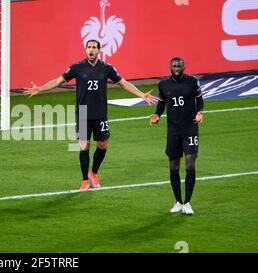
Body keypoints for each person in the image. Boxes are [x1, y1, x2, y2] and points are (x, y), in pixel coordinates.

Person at [24, 39, 158, 191]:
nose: (91, 50)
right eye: (89, 47)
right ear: (85, 49)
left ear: (99, 50)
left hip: (100, 113)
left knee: (103, 144)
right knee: (84, 145)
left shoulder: (107, 68)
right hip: (82, 113)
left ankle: (94, 173)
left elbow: (124, 83)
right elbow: (57, 81)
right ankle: (84, 180)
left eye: (94, 47)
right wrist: (40, 89)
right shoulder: (77, 67)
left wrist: (141, 95)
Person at [150, 56, 204, 215]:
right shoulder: (163, 84)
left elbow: (200, 100)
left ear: (184, 67)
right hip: (173, 131)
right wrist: (157, 115)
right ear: (170, 67)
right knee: (174, 167)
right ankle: (178, 202)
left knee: (190, 164)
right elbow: (161, 103)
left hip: (190, 129)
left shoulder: (192, 82)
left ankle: (187, 202)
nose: (176, 67)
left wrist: (200, 112)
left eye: (179, 65)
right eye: (174, 65)